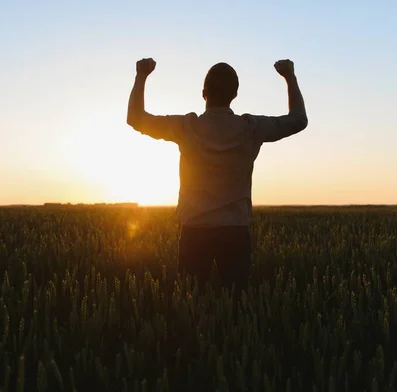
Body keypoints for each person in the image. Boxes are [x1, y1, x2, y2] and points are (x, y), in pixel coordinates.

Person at [126, 58, 308, 294]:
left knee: (191, 307)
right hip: (235, 233)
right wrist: (289, 77)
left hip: (194, 232)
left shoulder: (187, 126)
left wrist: (141, 75)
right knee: (235, 310)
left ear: (203, 93)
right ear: (235, 94)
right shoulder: (251, 127)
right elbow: (298, 119)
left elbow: (135, 118)